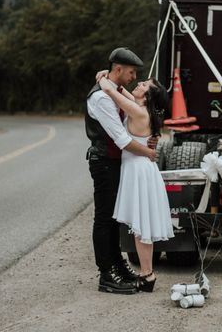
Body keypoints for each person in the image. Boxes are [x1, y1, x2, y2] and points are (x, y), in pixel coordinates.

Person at [85, 47, 157, 295]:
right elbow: (121, 139)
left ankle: (118, 266)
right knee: (104, 218)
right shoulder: (102, 98)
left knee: (114, 219)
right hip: (104, 161)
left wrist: (105, 79)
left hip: (116, 163)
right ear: (118, 69)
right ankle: (107, 273)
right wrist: (148, 151)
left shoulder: (113, 90)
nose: (134, 77)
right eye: (131, 72)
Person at [97, 74, 174, 293]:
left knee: (141, 228)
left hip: (138, 170)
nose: (138, 83)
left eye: (143, 85)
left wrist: (103, 77)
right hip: (142, 169)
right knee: (142, 227)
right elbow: (125, 93)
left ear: (147, 96)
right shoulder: (143, 110)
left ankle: (148, 275)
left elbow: (112, 91)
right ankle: (147, 274)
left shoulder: (139, 111)